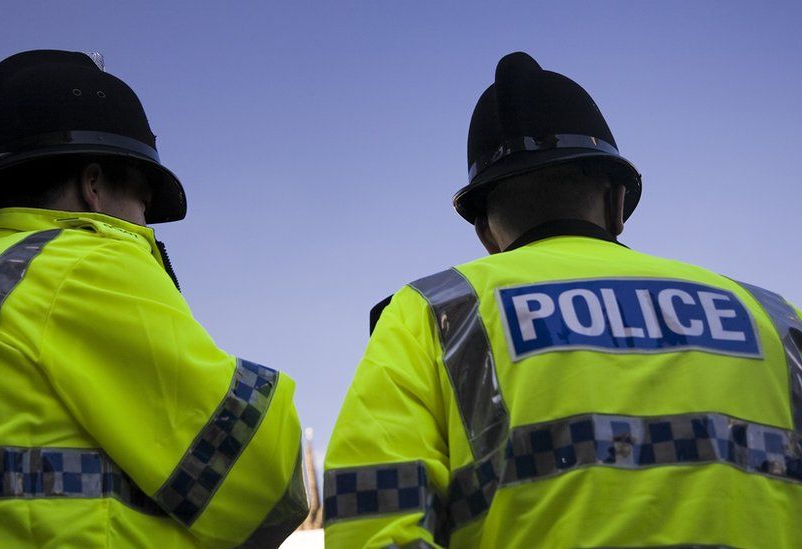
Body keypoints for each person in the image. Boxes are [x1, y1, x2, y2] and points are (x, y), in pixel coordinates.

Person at [323, 51, 802, 548]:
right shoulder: (776, 319)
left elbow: (373, 517)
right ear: (618, 202)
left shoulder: (433, 312)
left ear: (485, 230)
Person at [0, 50, 308, 548]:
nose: (145, 225)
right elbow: (262, 479)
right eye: (143, 203)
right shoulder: (81, 265)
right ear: (94, 186)